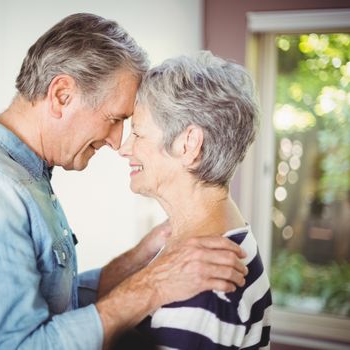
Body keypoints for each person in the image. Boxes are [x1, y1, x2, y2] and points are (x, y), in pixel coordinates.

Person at [0, 14, 249, 350]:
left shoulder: (18, 175)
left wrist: (139, 258)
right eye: (115, 119)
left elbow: (56, 303)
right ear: (62, 95)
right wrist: (151, 286)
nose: (117, 142)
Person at [118, 51, 272, 349]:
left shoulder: (202, 283)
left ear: (189, 144)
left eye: (137, 133)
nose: (124, 148)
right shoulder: (217, 243)